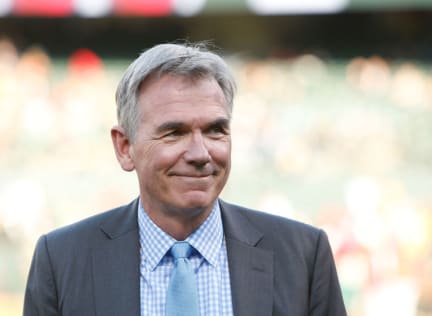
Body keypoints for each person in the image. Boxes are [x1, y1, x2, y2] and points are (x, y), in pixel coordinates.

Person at [23, 42, 347, 316]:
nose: (200, 153)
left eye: (215, 131)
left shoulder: (303, 255)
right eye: (174, 133)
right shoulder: (62, 260)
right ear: (125, 147)